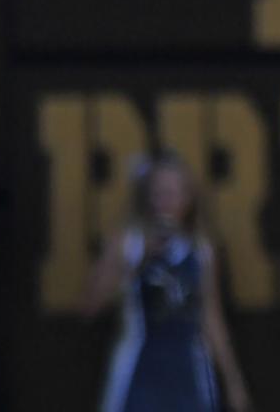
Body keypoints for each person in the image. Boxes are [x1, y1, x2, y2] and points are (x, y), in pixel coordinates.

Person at [82, 151, 251, 412]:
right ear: (147, 197)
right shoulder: (129, 243)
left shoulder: (201, 249)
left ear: (188, 199)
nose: (166, 202)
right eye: (159, 193)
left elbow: (211, 317)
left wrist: (233, 382)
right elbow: (90, 304)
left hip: (188, 371)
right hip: (140, 368)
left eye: (173, 193)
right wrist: (136, 262)